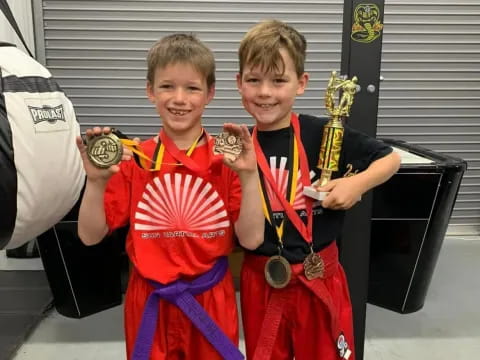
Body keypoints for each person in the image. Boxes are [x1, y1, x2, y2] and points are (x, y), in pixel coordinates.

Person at [76, 33, 264, 360]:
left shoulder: (229, 161)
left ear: (210, 93)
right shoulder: (134, 159)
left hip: (210, 300)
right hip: (149, 298)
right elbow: (89, 237)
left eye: (192, 88)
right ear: (150, 91)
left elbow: (251, 240)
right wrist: (95, 183)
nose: (179, 99)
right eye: (167, 86)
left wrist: (249, 177)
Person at [236, 20, 401, 360]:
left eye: (279, 80)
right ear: (239, 84)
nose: (265, 92)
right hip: (262, 279)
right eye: (254, 80)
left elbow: (390, 159)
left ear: (301, 84)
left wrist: (357, 183)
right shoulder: (237, 148)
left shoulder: (324, 134)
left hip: (319, 275)